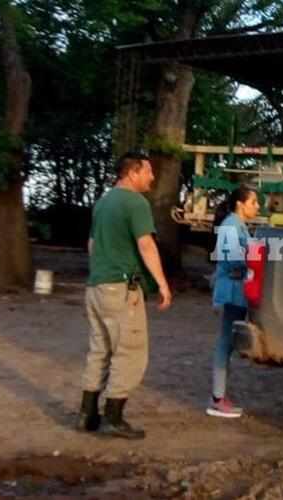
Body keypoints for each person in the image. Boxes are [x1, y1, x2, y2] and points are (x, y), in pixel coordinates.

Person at [77, 151, 172, 440]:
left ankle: (87, 415)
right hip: (121, 289)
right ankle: (114, 418)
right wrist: (162, 284)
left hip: (95, 287)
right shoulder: (135, 202)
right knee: (130, 352)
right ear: (132, 173)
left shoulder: (103, 201)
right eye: (148, 171)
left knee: (99, 350)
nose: (152, 177)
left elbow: (92, 245)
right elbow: (145, 244)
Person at [208, 187, 260, 417]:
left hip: (236, 292)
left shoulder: (237, 225)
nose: (257, 206)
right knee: (225, 343)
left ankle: (220, 396)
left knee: (228, 343)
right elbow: (231, 259)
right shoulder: (231, 225)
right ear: (241, 204)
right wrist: (255, 258)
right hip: (230, 292)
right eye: (254, 202)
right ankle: (217, 399)